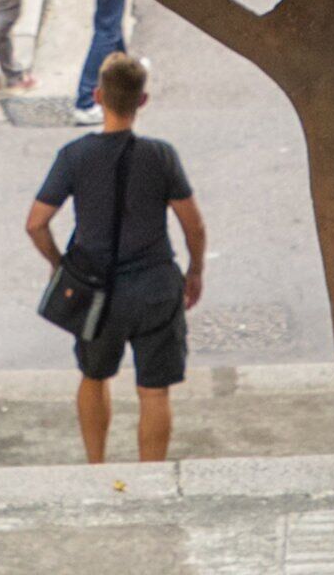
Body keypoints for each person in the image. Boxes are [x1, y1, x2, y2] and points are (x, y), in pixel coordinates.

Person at [26, 51, 207, 462]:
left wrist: (58, 264)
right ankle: (152, 477)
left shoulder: (74, 156)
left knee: (93, 377)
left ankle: (96, 467)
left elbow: (35, 223)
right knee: (154, 390)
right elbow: (193, 225)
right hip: (156, 287)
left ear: (98, 95)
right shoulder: (160, 156)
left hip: (96, 291)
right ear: (142, 101)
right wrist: (194, 272)